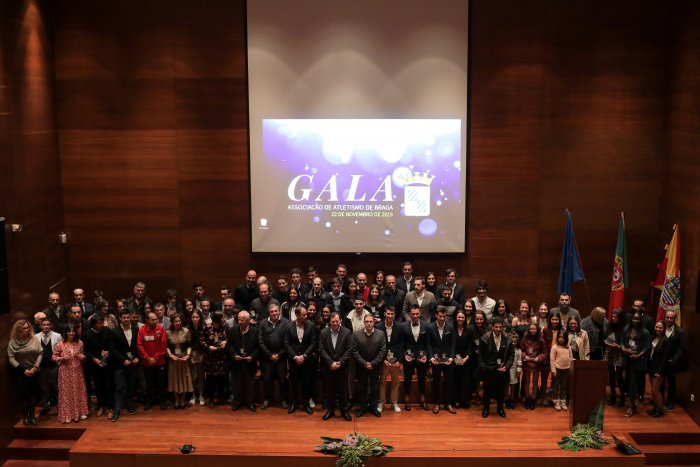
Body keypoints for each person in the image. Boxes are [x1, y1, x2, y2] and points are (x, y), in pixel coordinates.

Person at [318, 312, 354, 421]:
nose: (335, 323)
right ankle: (330, 410)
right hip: (328, 367)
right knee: (330, 391)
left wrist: (340, 362)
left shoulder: (347, 332)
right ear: (329, 322)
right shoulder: (323, 333)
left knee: (343, 391)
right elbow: (321, 349)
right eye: (332, 321)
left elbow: (349, 349)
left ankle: (344, 411)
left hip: (342, 367)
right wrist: (330, 363)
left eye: (337, 321)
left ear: (340, 321)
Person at [8, 319, 43, 425]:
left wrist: (35, 367)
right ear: (18, 329)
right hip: (20, 373)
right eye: (24, 328)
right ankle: (25, 416)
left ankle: (32, 416)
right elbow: (11, 358)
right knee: (24, 395)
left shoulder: (34, 338)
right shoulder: (13, 342)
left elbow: (40, 353)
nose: (26, 330)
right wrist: (23, 370)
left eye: (27, 327)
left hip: (34, 371)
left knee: (33, 394)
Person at [52, 322, 89, 423]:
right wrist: (62, 358)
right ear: (66, 332)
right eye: (69, 331)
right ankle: (67, 414)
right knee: (66, 393)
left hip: (77, 370)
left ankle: (81, 412)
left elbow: (83, 356)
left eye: (73, 331)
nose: (71, 333)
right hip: (65, 371)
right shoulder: (60, 344)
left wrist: (83, 357)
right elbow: (54, 357)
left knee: (78, 390)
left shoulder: (80, 343)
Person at [478, 317, 514, 418]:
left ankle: (500, 408)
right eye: (496, 327)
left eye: (500, 327)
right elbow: (480, 354)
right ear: (492, 327)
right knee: (487, 390)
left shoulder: (507, 338)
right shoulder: (485, 338)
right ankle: (486, 408)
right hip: (489, 368)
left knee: (501, 390)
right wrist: (483, 367)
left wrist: (507, 367)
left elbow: (512, 355)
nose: (498, 329)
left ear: (503, 327)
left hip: (502, 368)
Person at [285, 306, 318, 415]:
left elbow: (313, 343)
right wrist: (295, 357)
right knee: (293, 382)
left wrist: (304, 356)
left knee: (306, 382)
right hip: (293, 360)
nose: (306, 316)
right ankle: (293, 404)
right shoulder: (289, 326)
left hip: (306, 360)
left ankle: (306, 404)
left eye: (306, 314)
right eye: (303, 315)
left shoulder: (311, 325)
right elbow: (287, 343)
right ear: (297, 315)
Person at [352, 314, 386, 418]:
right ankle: (362, 407)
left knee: (375, 388)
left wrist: (373, 363)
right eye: (367, 321)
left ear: (374, 322)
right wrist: (364, 363)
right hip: (361, 366)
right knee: (362, 387)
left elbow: (382, 351)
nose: (369, 323)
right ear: (364, 322)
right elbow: (355, 351)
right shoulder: (356, 334)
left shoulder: (381, 334)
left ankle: (373, 407)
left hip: (375, 366)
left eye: (371, 321)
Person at [110, 309, 139, 422]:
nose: (126, 319)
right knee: (119, 387)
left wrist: (137, 357)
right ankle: (117, 410)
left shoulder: (136, 329)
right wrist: (123, 360)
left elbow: (137, 346)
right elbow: (112, 349)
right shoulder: (114, 331)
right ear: (120, 318)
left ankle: (129, 404)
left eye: (128, 317)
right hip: (120, 365)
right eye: (124, 318)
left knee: (131, 386)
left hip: (133, 364)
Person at [258, 303, 289, 409]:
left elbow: (287, 341)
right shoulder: (262, 323)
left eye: (276, 311)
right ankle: (267, 399)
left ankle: (284, 400)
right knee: (267, 379)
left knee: (282, 379)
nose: (274, 313)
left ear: (279, 311)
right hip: (267, 357)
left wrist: (279, 354)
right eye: (272, 311)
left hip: (281, 357)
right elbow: (260, 341)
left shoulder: (286, 322)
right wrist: (270, 354)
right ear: (269, 312)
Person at [227, 311, 259, 412]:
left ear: (248, 321)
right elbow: (229, 345)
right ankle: (237, 401)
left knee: (250, 383)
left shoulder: (255, 331)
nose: (239, 322)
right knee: (236, 383)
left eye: (242, 320)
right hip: (236, 362)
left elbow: (258, 347)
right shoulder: (232, 331)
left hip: (250, 362)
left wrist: (252, 357)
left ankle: (250, 402)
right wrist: (234, 355)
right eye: (238, 319)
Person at [620, 312, 651, 417]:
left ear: (641, 320)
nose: (635, 321)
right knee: (628, 381)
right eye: (634, 319)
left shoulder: (645, 332)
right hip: (628, 359)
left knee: (633, 383)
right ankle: (632, 401)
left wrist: (638, 355)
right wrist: (623, 347)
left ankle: (631, 407)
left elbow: (647, 347)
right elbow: (622, 340)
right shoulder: (626, 328)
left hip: (638, 361)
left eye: (638, 319)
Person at [82, 315, 114, 418]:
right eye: (99, 323)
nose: (102, 325)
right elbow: (86, 350)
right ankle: (101, 406)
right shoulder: (87, 334)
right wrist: (93, 359)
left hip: (108, 363)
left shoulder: (107, 330)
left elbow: (111, 344)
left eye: (102, 323)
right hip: (95, 365)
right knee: (98, 386)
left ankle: (110, 407)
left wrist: (109, 352)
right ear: (94, 325)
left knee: (109, 386)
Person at [137, 311, 168, 410]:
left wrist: (155, 358)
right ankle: (149, 400)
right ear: (146, 321)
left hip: (160, 361)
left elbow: (163, 345)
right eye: (153, 319)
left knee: (161, 383)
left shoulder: (161, 328)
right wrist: (147, 358)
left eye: (156, 319)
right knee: (149, 383)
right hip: (147, 362)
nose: (155, 321)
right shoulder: (141, 330)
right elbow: (139, 345)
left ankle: (162, 400)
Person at [402, 304, 430, 411]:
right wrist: (405, 354)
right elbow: (402, 343)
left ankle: (423, 399)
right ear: (409, 314)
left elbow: (428, 343)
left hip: (421, 357)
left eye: (417, 314)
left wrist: (426, 355)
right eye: (413, 314)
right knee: (407, 378)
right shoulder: (403, 326)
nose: (415, 316)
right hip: (408, 357)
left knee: (422, 378)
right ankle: (407, 399)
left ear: (420, 313)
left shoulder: (426, 326)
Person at [428, 308, 456, 414]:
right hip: (435, 360)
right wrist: (431, 357)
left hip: (448, 360)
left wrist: (451, 358)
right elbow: (429, 344)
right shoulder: (430, 327)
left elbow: (453, 344)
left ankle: (448, 404)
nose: (442, 318)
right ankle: (437, 404)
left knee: (449, 382)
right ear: (436, 315)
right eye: (440, 316)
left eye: (444, 316)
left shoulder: (451, 327)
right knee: (436, 382)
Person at [375, 307, 403, 413]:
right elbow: (377, 345)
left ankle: (394, 402)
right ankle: (381, 402)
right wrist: (382, 360)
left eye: (392, 314)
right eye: (388, 314)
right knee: (382, 381)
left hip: (395, 360)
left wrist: (399, 360)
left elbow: (402, 345)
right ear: (384, 314)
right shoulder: (378, 327)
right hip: (384, 360)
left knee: (396, 382)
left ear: (394, 314)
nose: (390, 316)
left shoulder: (399, 327)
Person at [201, 312, 229, 407]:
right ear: (217, 319)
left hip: (222, 357)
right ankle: (211, 398)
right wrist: (208, 347)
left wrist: (226, 341)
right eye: (222, 318)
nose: (224, 319)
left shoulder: (225, 327)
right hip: (211, 358)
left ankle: (220, 397)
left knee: (222, 379)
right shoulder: (207, 327)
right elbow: (201, 340)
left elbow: (231, 338)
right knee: (211, 379)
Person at [36, 318, 61, 417]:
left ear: (51, 325)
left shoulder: (57, 336)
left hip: (54, 366)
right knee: (44, 388)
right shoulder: (36, 337)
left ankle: (60, 407)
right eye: (44, 325)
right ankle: (46, 407)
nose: (46, 326)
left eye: (47, 325)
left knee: (57, 388)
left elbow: (60, 350)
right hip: (42, 368)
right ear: (40, 326)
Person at [167, 314, 192, 409]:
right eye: (176, 321)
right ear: (172, 322)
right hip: (173, 359)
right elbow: (167, 347)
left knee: (184, 380)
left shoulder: (186, 331)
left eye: (179, 321)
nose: (178, 323)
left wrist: (188, 355)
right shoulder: (168, 332)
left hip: (184, 358)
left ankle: (183, 400)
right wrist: (170, 355)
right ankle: (176, 400)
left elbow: (189, 345)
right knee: (175, 380)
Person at [520, 323, 546, 410]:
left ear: (537, 330)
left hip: (536, 364)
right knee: (527, 382)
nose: (532, 330)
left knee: (535, 382)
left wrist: (538, 358)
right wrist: (524, 356)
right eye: (531, 329)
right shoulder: (524, 339)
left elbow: (544, 353)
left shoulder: (541, 340)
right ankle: (527, 399)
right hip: (527, 363)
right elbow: (522, 350)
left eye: (534, 329)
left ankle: (533, 399)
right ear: (528, 329)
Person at [664, 310, 686, 411]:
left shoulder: (680, 331)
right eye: (667, 317)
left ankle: (671, 401)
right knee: (660, 380)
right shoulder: (660, 327)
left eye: (671, 318)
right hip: (660, 361)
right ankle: (660, 399)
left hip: (671, 362)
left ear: (674, 318)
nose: (669, 319)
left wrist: (674, 359)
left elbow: (681, 348)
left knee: (671, 383)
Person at [603, 308, 626, 407]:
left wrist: (619, 346)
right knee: (611, 376)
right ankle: (612, 396)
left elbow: (627, 343)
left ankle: (622, 397)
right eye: (612, 316)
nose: (613, 318)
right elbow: (604, 337)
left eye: (615, 317)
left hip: (620, 354)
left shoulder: (625, 328)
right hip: (609, 353)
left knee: (619, 377)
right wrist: (605, 342)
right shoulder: (609, 325)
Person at [648, 321, 671, 417]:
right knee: (653, 390)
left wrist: (660, 372)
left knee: (656, 389)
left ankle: (659, 409)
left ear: (664, 329)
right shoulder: (654, 337)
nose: (658, 329)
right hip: (652, 367)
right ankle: (655, 407)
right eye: (656, 327)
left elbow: (665, 358)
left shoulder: (665, 340)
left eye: (660, 327)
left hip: (659, 369)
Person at [452, 310, 474, 409]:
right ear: (456, 318)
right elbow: (450, 345)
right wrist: (452, 357)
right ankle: (455, 400)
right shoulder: (451, 329)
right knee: (455, 380)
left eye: (462, 317)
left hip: (465, 358)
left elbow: (470, 345)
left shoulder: (469, 330)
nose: (460, 319)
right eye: (459, 317)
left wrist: (467, 357)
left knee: (465, 380)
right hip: (453, 357)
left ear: (465, 319)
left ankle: (463, 401)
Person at [187, 309, 206, 406]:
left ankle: (201, 395)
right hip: (191, 354)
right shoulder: (188, 329)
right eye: (193, 317)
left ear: (200, 318)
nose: (195, 319)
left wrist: (203, 355)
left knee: (201, 376)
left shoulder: (204, 328)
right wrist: (190, 356)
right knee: (193, 376)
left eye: (197, 317)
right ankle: (193, 395)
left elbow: (206, 343)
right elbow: (187, 344)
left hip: (202, 354)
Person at [550, 332, 573, 411]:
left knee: (564, 386)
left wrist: (570, 367)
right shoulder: (554, 347)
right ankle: (556, 401)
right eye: (559, 337)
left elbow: (570, 357)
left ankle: (563, 400)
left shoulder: (568, 347)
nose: (561, 339)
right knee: (556, 386)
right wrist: (553, 370)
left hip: (566, 370)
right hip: (557, 369)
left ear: (566, 338)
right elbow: (552, 359)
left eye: (563, 338)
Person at [506, 333, 522, 409]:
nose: (513, 343)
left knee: (513, 386)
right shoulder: (506, 350)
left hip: (514, 370)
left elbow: (519, 361)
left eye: (515, 342)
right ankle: (507, 399)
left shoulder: (518, 351)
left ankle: (511, 400)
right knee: (506, 385)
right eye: (512, 342)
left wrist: (519, 371)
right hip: (507, 370)